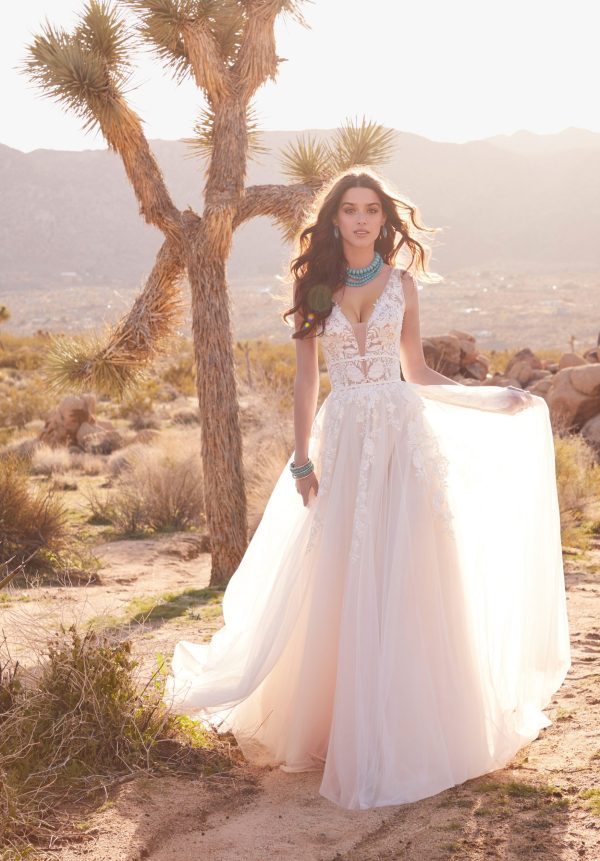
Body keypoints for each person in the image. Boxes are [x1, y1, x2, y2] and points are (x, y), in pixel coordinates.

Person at [165, 168, 571, 811]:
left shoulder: (403, 285)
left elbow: (418, 372)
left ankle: (413, 722)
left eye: (371, 210)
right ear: (333, 220)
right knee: (341, 572)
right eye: (349, 210)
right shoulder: (314, 285)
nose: (360, 220)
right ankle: (336, 722)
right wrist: (301, 459)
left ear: (385, 219)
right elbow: (306, 380)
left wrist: (493, 398)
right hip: (345, 437)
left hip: (401, 439)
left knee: (410, 567)